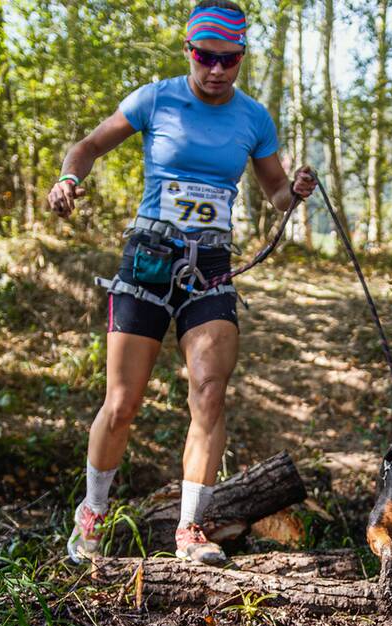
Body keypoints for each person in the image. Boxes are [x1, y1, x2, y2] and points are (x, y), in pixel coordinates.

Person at [48, 0, 317, 566]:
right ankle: (92, 515)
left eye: (230, 59)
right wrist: (69, 179)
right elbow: (88, 146)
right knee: (122, 402)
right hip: (147, 259)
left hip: (211, 266)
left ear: (241, 58)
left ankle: (190, 529)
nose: (217, 69)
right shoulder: (156, 97)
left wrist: (294, 191)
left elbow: (273, 193)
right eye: (206, 56)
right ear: (189, 51)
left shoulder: (253, 118)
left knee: (210, 394)